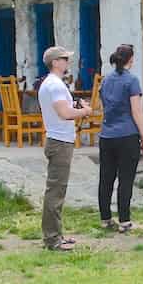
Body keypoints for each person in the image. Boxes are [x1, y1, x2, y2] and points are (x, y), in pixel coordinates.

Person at [38, 45, 93, 251]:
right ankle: (52, 239)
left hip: (56, 139)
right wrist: (85, 111)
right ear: (55, 62)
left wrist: (75, 107)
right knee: (56, 191)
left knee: (57, 189)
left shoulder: (50, 84)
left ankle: (56, 234)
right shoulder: (56, 85)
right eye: (64, 59)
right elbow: (64, 113)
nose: (67, 62)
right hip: (60, 142)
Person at [97, 43, 143, 233]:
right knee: (125, 179)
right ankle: (124, 220)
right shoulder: (132, 81)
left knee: (106, 178)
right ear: (131, 60)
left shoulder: (106, 81)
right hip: (127, 134)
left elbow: (104, 105)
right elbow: (136, 111)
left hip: (106, 134)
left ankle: (105, 218)